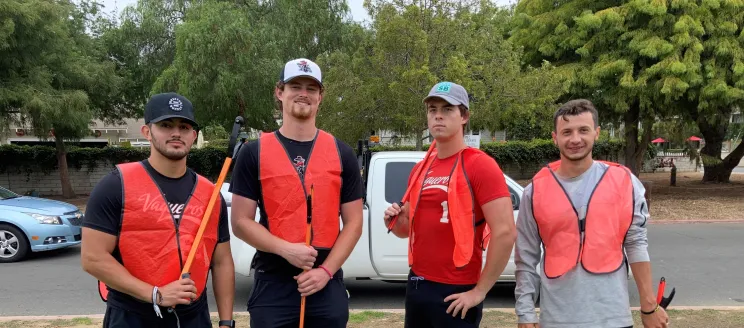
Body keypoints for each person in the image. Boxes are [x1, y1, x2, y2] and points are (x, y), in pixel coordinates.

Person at [81, 93, 236, 328]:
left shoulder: (210, 194)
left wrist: (226, 321)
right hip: (133, 316)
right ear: (147, 131)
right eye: (166, 125)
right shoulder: (116, 185)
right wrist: (156, 294)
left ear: (193, 136)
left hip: (194, 317)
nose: (176, 133)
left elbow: (222, 260)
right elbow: (93, 258)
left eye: (184, 127)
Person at [229, 58, 364, 328]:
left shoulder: (343, 153)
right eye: (295, 86)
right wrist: (285, 250)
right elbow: (241, 222)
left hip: (325, 282)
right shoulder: (253, 153)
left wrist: (326, 272)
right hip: (274, 283)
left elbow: (354, 223)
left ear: (320, 96)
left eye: (311, 88)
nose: (303, 93)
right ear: (280, 92)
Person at [513, 99, 669, 328]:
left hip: (613, 317)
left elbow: (636, 243)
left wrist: (649, 305)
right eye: (567, 132)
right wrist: (525, 313)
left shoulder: (625, 182)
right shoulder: (534, 191)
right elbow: (526, 256)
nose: (575, 139)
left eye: (583, 130)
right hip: (557, 319)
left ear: (596, 133)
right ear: (555, 137)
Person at [383, 82, 517, 328]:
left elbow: (505, 232)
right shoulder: (420, 168)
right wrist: (395, 220)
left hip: (457, 291)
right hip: (417, 286)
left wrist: (479, 292)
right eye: (432, 109)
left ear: (464, 116)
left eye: (447, 109)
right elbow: (406, 231)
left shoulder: (480, 165)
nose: (438, 115)